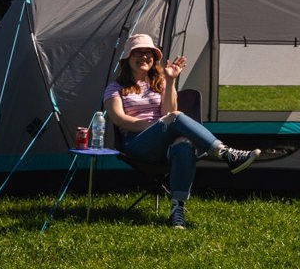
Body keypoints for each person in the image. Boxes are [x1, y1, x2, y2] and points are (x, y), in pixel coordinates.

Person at [104, 33, 261, 229]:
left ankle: (176, 211)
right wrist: (159, 124)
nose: (144, 57)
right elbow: (120, 120)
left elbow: (168, 113)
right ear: (128, 58)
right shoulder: (116, 88)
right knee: (175, 118)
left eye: (149, 54)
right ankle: (225, 153)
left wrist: (170, 81)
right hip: (137, 144)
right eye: (138, 53)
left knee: (184, 145)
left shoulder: (159, 84)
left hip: (163, 141)